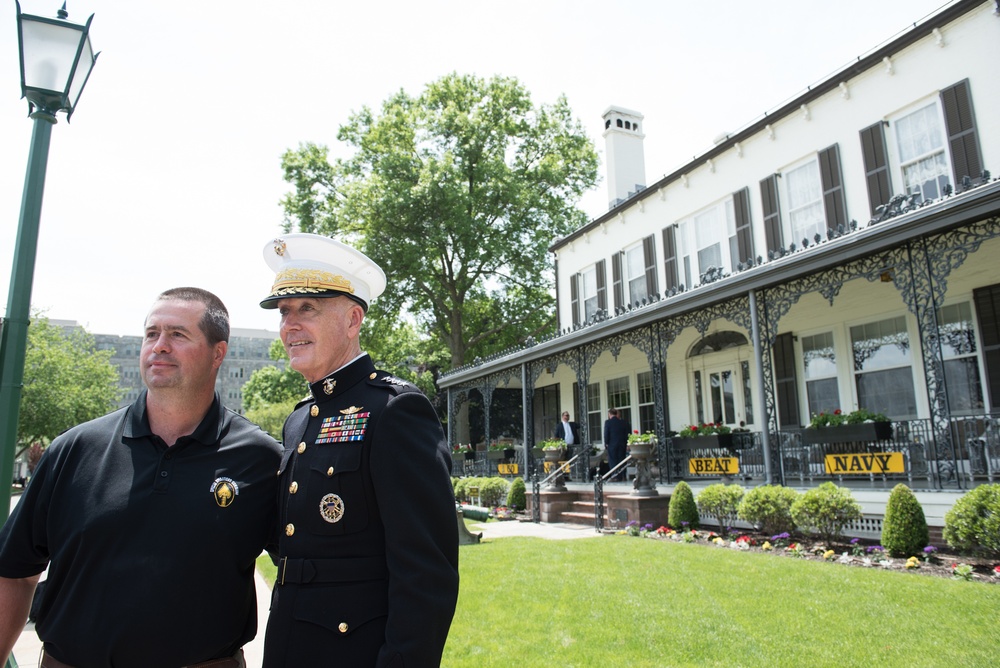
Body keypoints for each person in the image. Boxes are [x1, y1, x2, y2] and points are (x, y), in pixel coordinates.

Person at [0, 287, 282, 667]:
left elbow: (307, 573)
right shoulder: (74, 449)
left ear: (219, 353)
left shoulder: (260, 458)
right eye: (152, 334)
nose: (160, 346)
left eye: (178, 334)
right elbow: (14, 573)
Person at [258, 234, 459, 668]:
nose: (289, 325)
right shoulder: (299, 419)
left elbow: (426, 575)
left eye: (306, 309)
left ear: (352, 320)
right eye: (284, 312)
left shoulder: (394, 409)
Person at [604, 407, 631, 481]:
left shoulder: (608, 422)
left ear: (609, 414)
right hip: (622, 444)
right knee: (622, 460)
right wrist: (626, 443)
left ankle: (615, 476)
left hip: (612, 444)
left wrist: (606, 443)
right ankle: (623, 476)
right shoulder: (623, 422)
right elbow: (626, 434)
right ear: (616, 414)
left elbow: (606, 434)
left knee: (613, 460)